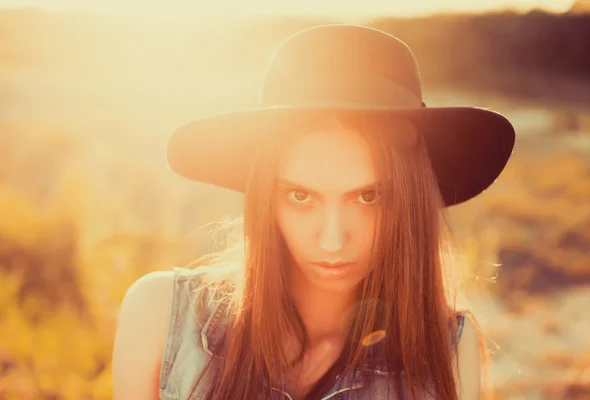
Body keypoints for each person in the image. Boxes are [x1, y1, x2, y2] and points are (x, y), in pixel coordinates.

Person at [112, 24, 515, 400]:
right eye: (301, 197)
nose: (334, 239)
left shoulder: (446, 351)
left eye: (369, 197)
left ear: (409, 199)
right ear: (266, 197)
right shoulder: (162, 318)